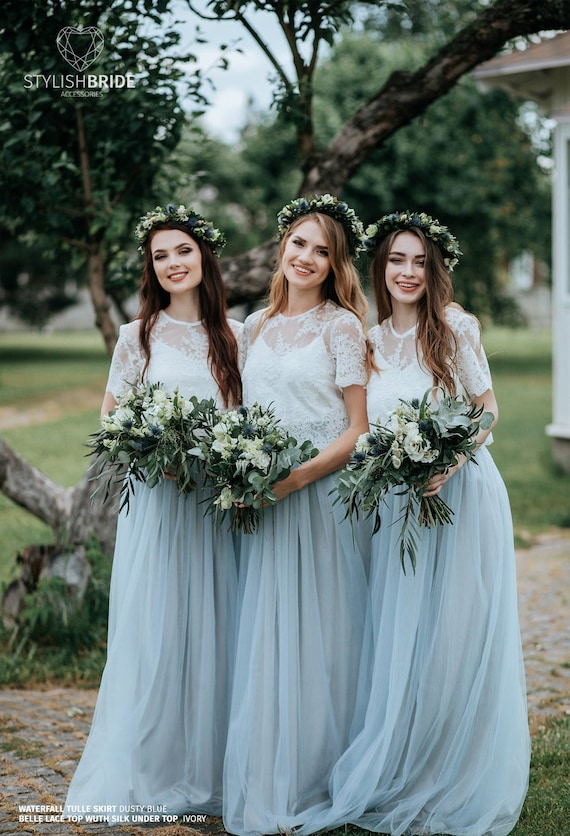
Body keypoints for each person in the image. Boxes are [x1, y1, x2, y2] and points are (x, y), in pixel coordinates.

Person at [317, 211, 531, 836]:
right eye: (396, 261)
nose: (407, 272)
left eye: (419, 262)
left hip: (459, 495)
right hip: (394, 505)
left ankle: (454, 766)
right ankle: (402, 762)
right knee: (398, 632)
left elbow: (487, 408)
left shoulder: (456, 328)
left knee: (453, 631)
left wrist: (451, 458)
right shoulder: (367, 339)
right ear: (380, 268)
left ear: (434, 270)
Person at [64, 203, 242, 822]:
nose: (172, 264)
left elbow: (253, 419)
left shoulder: (236, 336)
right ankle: (149, 767)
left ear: (204, 257)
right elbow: (113, 416)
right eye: (160, 255)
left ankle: (214, 767)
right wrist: (151, 447)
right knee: (157, 628)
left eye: (183, 251)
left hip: (217, 508)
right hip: (161, 508)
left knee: (218, 628)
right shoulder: (137, 335)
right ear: (151, 267)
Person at [222, 195, 373, 836]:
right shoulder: (252, 326)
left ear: (336, 264)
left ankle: (322, 773)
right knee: (269, 632)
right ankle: (269, 771)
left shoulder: (341, 327)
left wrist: (295, 479)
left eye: (323, 250)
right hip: (263, 500)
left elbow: (357, 431)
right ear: (282, 244)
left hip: (319, 502)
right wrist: (241, 469)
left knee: (326, 634)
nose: (307, 258)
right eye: (300, 244)